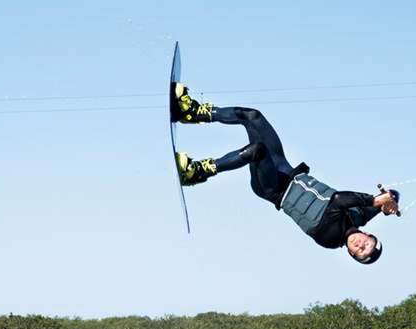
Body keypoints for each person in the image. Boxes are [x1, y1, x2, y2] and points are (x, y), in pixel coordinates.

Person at [171, 84, 399, 264]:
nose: (360, 245)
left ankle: (197, 172)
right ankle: (191, 112)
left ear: (350, 253)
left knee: (257, 152)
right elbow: (393, 195)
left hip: (274, 188)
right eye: (366, 244)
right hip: (285, 169)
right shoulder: (360, 217)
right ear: (369, 236)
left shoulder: (330, 239)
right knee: (252, 116)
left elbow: (339, 200)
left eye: (359, 252)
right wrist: (389, 204)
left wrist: (374, 201)